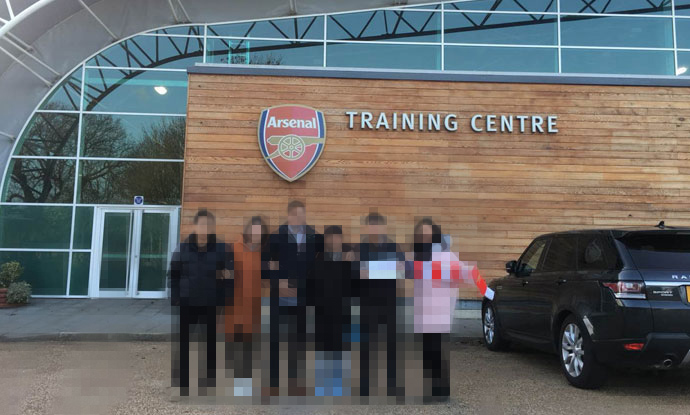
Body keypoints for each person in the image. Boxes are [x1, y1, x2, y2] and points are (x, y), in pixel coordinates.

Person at [170, 209, 233, 396]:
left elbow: (231, 275)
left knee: (209, 344)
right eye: (202, 224)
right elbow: (173, 274)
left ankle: (209, 385)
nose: (205, 228)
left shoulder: (222, 248)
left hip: (211, 303)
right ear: (195, 226)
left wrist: (224, 297)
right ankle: (180, 385)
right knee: (184, 343)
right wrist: (175, 297)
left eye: (208, 225)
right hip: (187, 302)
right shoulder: (182, 248)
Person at [266, 200, 324, 396]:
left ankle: (295, 382)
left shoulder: (314, 237)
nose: (299, 218)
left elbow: (330, 252)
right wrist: (278, 283)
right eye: (295, 214)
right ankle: (274, 382)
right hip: (280, 296)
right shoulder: (276, 237)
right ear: (289, 215)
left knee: (298, 340)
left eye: (302, 214)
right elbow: (266, 263)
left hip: (302, 296)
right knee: (275, 339)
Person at [354, 212, 405, 399]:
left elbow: (401, 270)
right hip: (367, 302)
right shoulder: (360, 248)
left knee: (391, 344)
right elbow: (358, 274)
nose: (374, 228)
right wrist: (386, 269)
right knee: (367, 344)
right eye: (371, 225)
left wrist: (371, 270)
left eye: (377, 225)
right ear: (367, 228)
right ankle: (365, 384)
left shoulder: (394, 246)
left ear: (384, 227)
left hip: (390, 301)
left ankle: (392, 384)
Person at [411, 217, 457, 402]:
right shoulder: (417, 254)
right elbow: (400, 268)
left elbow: (455, 275)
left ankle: (442, 391)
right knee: (426, 350)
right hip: (423, 310)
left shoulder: (446, 254)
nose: (424, 236)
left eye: (427, 232)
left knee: (437, 350)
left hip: (439, 311)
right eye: (420, 233)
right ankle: (430, 389)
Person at [308, 225, 356, 397]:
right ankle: (322, 382)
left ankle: (338, 383)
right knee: (322, 345)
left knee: (340, 346)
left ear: (341, 239)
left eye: (336, 237)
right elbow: (311, 282)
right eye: (329, 237)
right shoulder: (318, 257)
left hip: (342, 308)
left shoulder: (349, 257)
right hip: (321, 308)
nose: (333, 240)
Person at [225, 216, 268, 397]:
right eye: (254, 229)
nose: (256, 233)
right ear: (248, 230)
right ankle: (235, 380)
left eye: (260, 231)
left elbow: (268, 277)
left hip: (255, 305)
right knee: (234, 342)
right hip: (235, 304)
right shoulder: (234, 248)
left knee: (249, 344)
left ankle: (245, 383)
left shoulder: (265, 253)